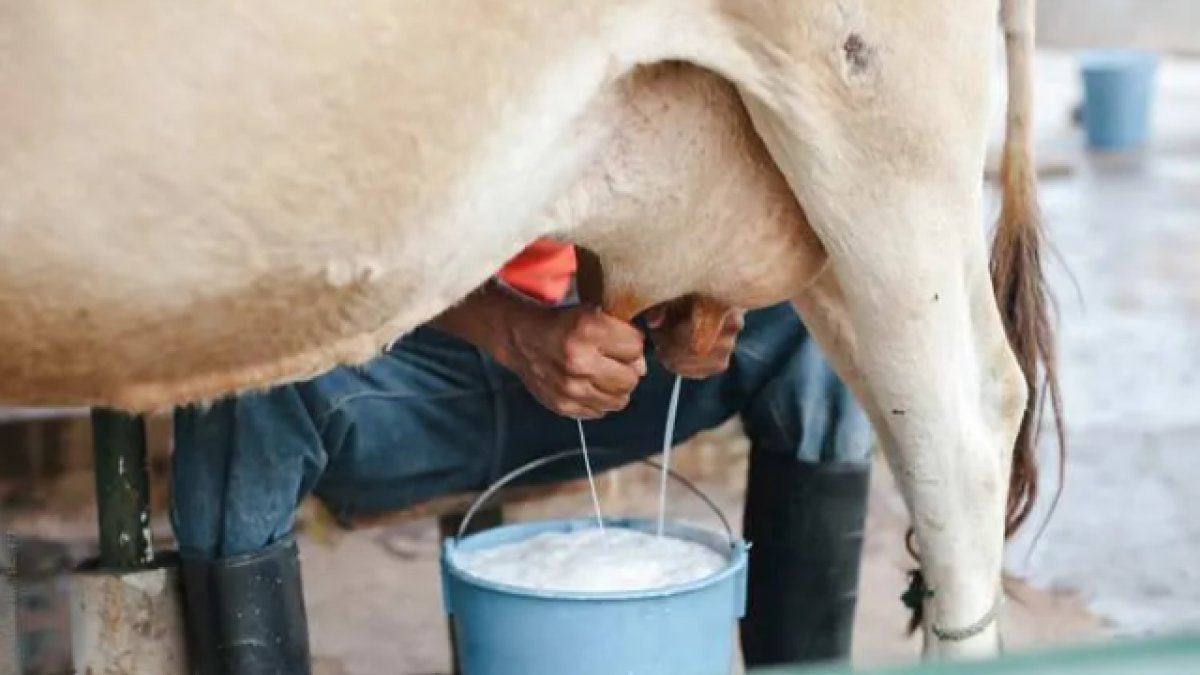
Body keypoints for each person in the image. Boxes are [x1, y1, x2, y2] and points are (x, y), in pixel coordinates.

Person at [169, 239, 874, 675]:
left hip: (599, 366)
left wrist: (707, 299)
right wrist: (506, 325)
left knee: (816, 336)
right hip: (396, 381)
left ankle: (806, 669)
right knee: (237, 385)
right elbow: (309, 230)